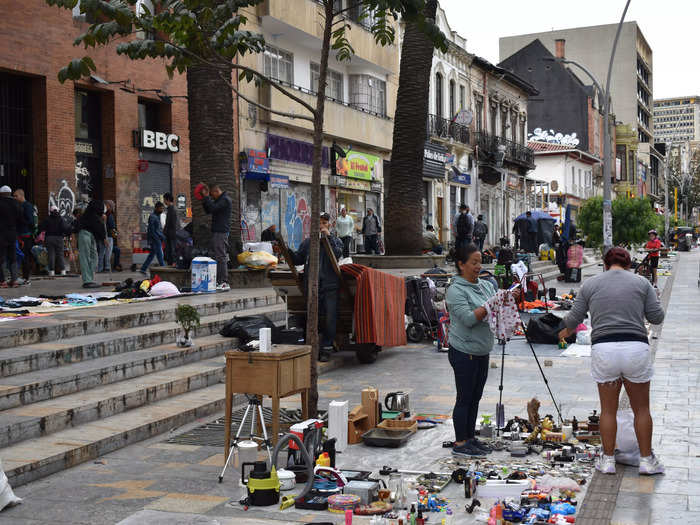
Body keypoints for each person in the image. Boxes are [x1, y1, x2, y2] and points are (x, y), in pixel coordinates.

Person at [558, 247, 665, 476]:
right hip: (635, 348)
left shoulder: (590, 285)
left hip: (604, 349)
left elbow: (573, 319)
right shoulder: (642, 283)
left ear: (605, 264)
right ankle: (646, 460)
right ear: (628, 265)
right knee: (642, 409)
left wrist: (563, 331)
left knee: (608, 410)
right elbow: (657, 317)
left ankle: (607, 461)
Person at [446, 243, 511, 456]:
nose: (477, 266)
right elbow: (468, 319)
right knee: (464, 397)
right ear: (461, 264)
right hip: (464, 352)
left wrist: (506, 300)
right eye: (473, 263)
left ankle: (470, 438)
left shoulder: (485, 285)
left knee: (476, 396)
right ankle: (460, 443)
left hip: (482, 350)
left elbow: (496, 309)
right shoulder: (455, 290)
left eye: (479, 262)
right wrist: (490, 305)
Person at [290, 212, 343, 362]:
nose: (321, 225)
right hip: (312, 286)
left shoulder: (336, 240)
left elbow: (338, 253)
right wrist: (285, 250)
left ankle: (326, 348)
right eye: (318, 223)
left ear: (329, 225)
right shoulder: (308, 243)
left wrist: (329, 238)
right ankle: (313, 346)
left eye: (324, 223)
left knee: (330, 318)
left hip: (330, 286)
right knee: (312, 317)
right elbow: (298, 259)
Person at [200, 183, 233, 291]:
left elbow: (213, 208)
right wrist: (205, 199)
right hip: (217, 231)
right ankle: (219, 281)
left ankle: (224, 282)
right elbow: (209, 210)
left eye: (211, 195)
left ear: (216, 191)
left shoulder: (225, 200)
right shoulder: (220, 200)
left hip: (221, 232)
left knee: (221, 256)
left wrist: (206, 197)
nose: (211, 197)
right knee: (218, 255)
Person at [78, 200, 106, 288]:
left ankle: (90, 278)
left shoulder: (95, 215)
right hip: (84, 234)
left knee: (94, 257)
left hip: (92, 236)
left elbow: (99, 228)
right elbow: (98, 227)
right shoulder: (90, 215)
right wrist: (104, 238)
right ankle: (87, 280)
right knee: (85, 257)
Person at [39, 206, 69, 276]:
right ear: (57, 211)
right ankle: (63, 271)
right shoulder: (60, 219)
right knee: (60, 254)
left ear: (50, 211)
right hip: (59, 238)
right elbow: (65, 228)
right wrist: (67, 233)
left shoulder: (47, 219)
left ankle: (51, 271)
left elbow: (41, 227)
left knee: (51, 255)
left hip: (49, 238)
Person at [0, 185, 20, 287]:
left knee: (1, 257)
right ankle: (14, 280)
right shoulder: (16, 203)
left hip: (2, 233)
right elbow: (19, 218)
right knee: (13, 257)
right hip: (12, 233)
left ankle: (2, 281)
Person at [14, 188, 35, 282]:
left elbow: (30, 221)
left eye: (16, 196)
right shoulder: (19, 205)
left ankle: (26, 276)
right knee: (20, 255)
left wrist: (20, 219)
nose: (14, 198)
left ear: (21, 196)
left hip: (25, 235)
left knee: (24, 255)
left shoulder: (27, 206)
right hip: (20, 234)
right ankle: (22, 275)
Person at [140, 202, 166, 275]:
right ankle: (164, 269)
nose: (162, 210)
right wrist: (157, 239)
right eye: (161, 208)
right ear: (156, 208)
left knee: (152, 255)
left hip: (157, 238)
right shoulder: (153, 216)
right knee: (160, 255)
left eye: (163, 208)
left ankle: (143, 268)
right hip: (155, 239)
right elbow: (152, 230)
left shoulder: (157, 216)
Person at [97, 200, 116, 273]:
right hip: (107, 236)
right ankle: (107, 267)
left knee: (102, 252)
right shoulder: (108, 215)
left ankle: (100, 268)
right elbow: (111, 227)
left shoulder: (102, 214)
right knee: (107, 252)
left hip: (103, 236)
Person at [163, 193, 178, 266]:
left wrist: (165, 231)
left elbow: (170, 223)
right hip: (171, 234)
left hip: (171, 234)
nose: (164, 201)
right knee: (171, 250)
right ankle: (172, 263)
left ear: (168, 199)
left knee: (172, 250)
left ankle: (173, 264)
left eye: (164, 199)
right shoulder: (172, 209)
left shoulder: (171, 209)